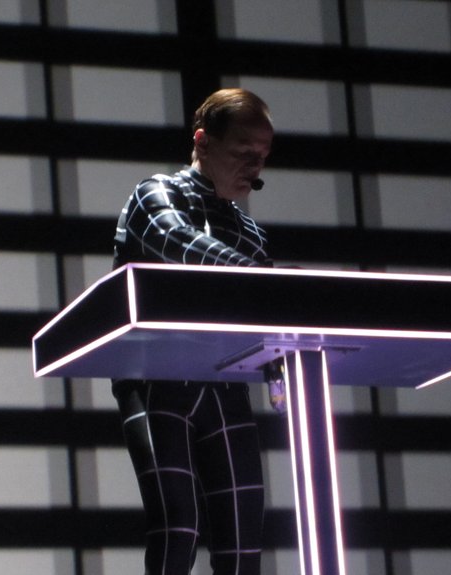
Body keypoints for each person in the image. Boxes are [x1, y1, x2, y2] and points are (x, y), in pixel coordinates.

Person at [112, 88, 274, 575]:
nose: (254, 166)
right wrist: (261, 277)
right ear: (203, 141)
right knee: (178, 525)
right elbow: (177, 240)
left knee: (243, 536)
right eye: (243, 151)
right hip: (156, 377)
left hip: (223, 385)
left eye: (262, 155)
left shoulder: (249, 233)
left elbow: (266, 313)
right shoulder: (156, 195)